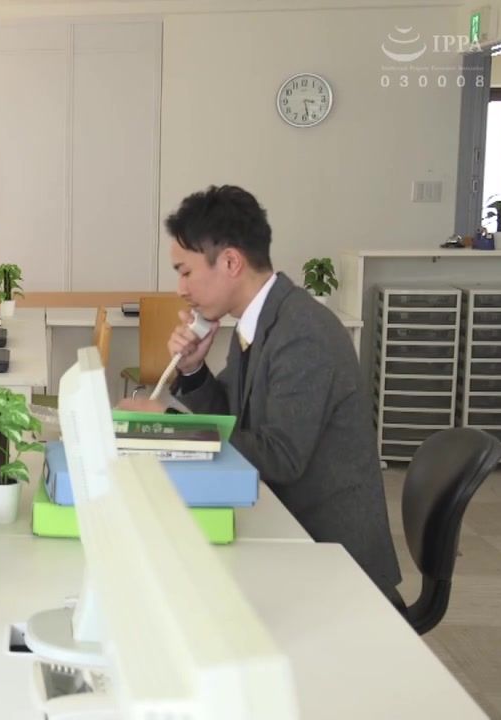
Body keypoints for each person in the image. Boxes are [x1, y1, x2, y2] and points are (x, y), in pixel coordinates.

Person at [119, 185, 403, 603]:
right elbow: (235, 420)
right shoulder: (260, 321)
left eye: (185, 271)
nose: (180, 288)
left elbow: (280, 456)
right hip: (284, 526)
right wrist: (193, 369)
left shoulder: (303, 332)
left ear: (230, 262)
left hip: (332, 562)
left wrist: (169, 425)